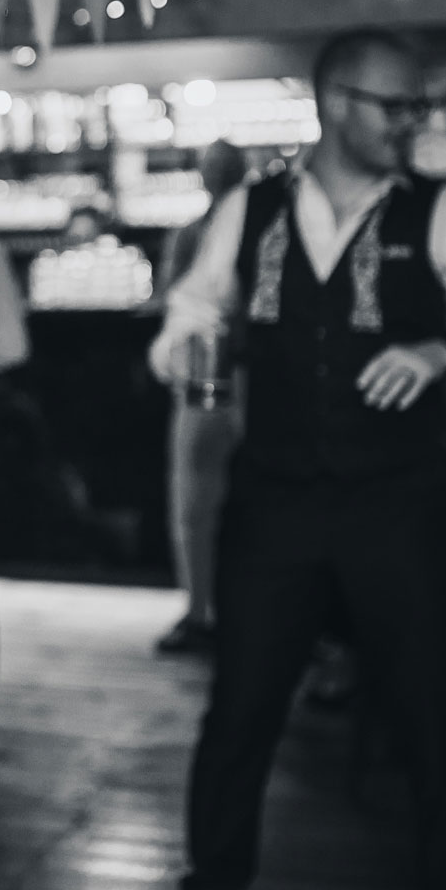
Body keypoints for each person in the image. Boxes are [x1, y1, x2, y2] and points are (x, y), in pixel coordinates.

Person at [139, 29, 446, 890]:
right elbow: (193, 312)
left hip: (402, 504)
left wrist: (441, 357)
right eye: (399, 105)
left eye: (417, 106)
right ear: (338, 101)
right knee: (239, 716)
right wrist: (180, 349)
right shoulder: (250, 209)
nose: (415, 121)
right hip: (277, 501)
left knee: (436, 722)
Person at [154, 140, 248, 656]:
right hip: (203, 384)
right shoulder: (194, 233)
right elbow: (177, 304)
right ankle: (201, 611)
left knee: (217, 504)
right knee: (195, 504)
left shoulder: (258, 225)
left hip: (247, 385)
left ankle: (217, 611)